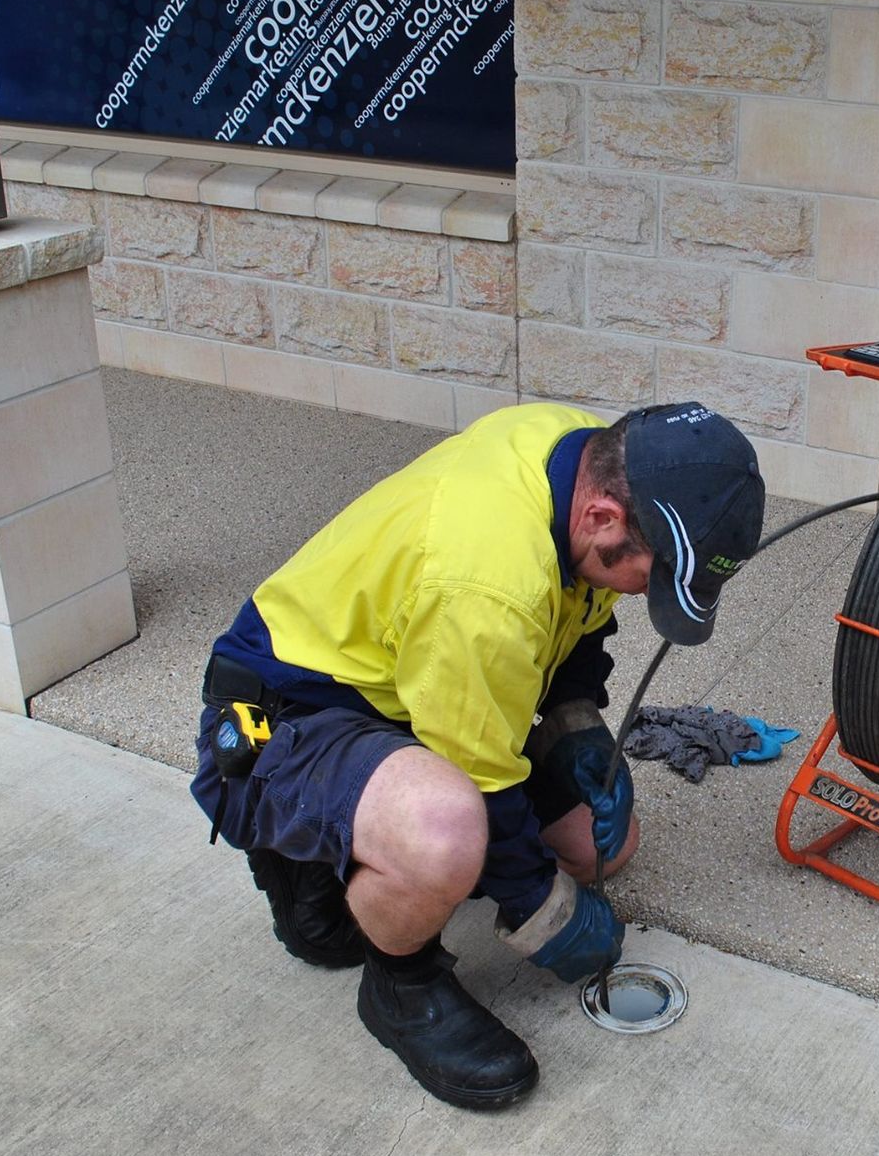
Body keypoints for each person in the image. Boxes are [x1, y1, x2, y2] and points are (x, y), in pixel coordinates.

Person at [189, 400, 765, 1110]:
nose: (641, 592)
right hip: (289, 715)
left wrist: (578, 735)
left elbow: (581, 622)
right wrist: (545, 915)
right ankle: (399, 984)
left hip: (416, 688)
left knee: (598, 846)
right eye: (650, 575)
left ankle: (369, 849)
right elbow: (484, 790)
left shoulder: (581, 458)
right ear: (603, 519)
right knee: (447, 829)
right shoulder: (489, 586)